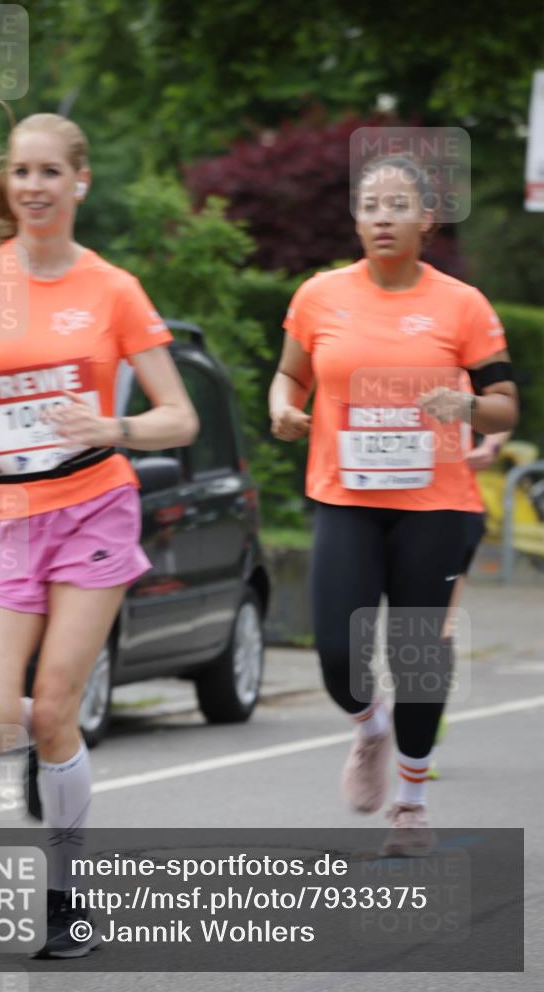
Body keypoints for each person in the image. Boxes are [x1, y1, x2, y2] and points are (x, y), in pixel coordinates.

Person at [0, 109, 198, 956]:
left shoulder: (112, 289)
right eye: (21, 172)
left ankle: (67, 898)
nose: (32, 186)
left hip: (92, 508)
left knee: (59, 706)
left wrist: (112, 428)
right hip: (7, 514)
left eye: (49, 172)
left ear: (80, 181)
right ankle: (53, 745)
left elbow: (177, 417)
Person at [269, 153, 518, 855]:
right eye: (369, 205)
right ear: (355, 219)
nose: (381, 216)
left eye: (397, 205)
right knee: (334, 651)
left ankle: (409, 803)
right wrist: (284, 409)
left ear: (426, 220)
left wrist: (467, 403)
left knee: (418, 659)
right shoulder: (318, 296)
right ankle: (367, 726)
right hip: (345, 498)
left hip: (436, 504)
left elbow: (503, 408)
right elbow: (287, 377)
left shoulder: (461, 305)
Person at [428, 425, 511, 779]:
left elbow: (503, 408)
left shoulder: (460, 369)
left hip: (453, 505)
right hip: (375, 512)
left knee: (435, 626)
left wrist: (490, 446)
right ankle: (376, 723)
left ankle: (422, 732)